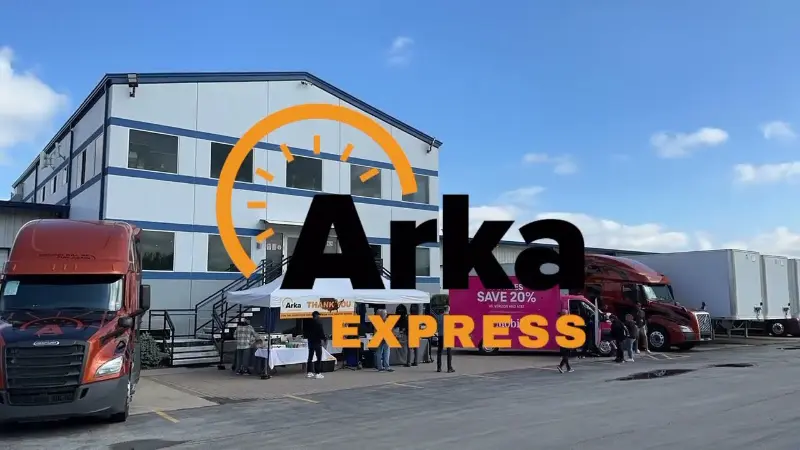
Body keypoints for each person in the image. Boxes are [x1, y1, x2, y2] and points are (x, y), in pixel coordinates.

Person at [305, 311, 327, 379]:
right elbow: (321, 332)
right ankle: (317, 373)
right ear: (316, 316)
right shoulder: (319, 323)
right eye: (318, 315)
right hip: (317, 342)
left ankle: (309, 372)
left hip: (310, 342)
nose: (319, 317)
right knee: (318, 358)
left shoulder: (308, 323)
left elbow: (305, 332)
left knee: (310, 357)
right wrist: (324, 339)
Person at [434, 305, 455, 373]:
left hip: (440, 335)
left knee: (439, 352)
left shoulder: (439, 317)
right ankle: (449, 368)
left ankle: (439, 368)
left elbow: (437, 326)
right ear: (448, 309)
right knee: (449, 352)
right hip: (448, 336)